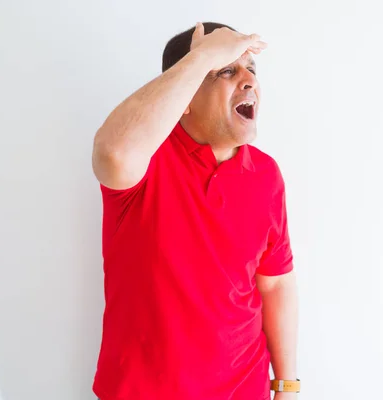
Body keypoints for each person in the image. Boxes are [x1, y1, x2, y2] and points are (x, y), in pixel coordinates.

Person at [90, 22, 299, 400]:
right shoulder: (146, 158)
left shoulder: (267, 175)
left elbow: (276, 282)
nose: (249, 80)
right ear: (185, 92)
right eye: (226, 70)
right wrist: (201, 57)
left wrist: (286, 385)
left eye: (251, 68)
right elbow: (111, 154)